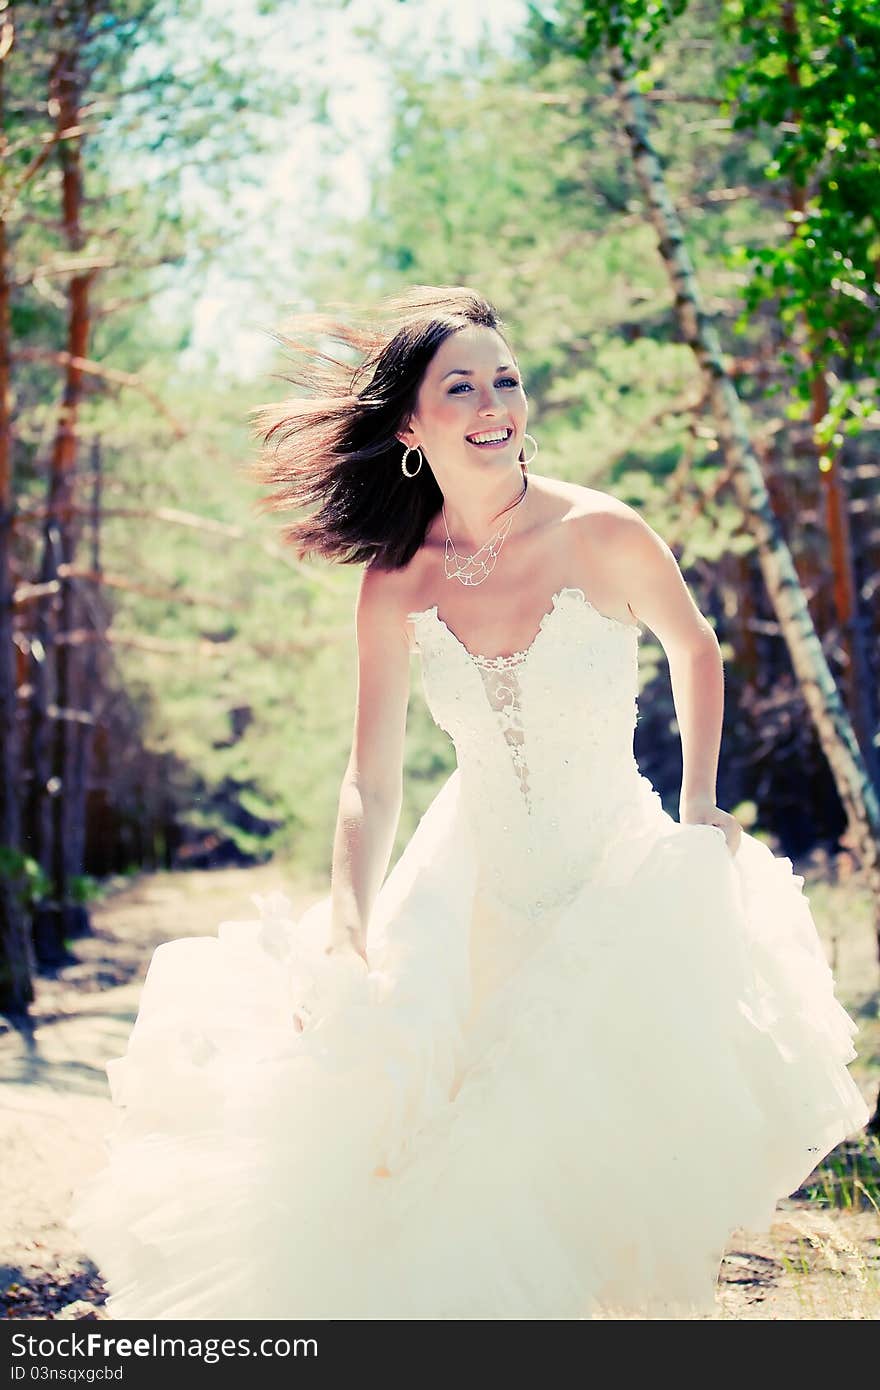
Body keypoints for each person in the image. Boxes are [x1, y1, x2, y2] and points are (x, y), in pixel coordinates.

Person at [71, 286, 870, 1321]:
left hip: (612, 882)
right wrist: (350, 930)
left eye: (507, 380)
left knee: (603, 1169)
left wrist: (700, 800)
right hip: (469, 900)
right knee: (449, 1176)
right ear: (411, 424)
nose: (495, 402)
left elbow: (694, 645)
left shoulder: (600, 531)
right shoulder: (398, 581)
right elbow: (371, 776)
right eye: (462, 386)